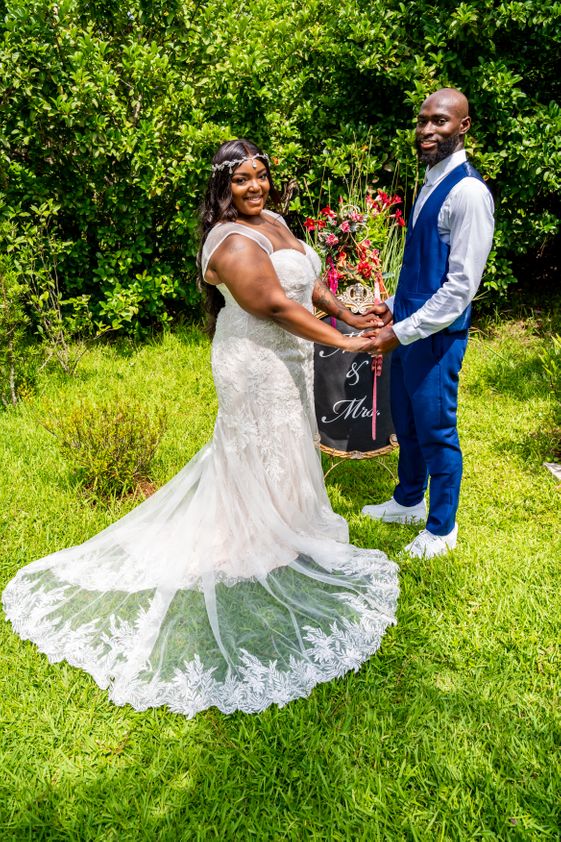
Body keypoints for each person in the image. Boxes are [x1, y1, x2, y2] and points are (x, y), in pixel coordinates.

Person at [2, 139, 399, 718]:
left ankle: (287, 522)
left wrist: (346, 311)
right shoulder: (232, 242)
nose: (255, 187)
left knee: (286, 443)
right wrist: (348, 342)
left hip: (289, 354)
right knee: (258, 444)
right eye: (242, 180)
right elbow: (273, 305)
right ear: (222, 186)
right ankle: (256, 532)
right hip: (253, 359)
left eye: (261, 176)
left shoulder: (274, 222)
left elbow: (304, 285)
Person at [362, 89, 494, 558]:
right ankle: (408, 500)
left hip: (437, 337)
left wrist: (400, 331)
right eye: (422, 121)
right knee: (410, 421)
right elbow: (422, 266)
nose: (426, 130)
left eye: (439, 121)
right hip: (411, 326)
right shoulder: (431, 181)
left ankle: (441, 528)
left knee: (437, 428)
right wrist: (393, 306)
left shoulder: (469, 193)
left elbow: (459, 289)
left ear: (464, 127)